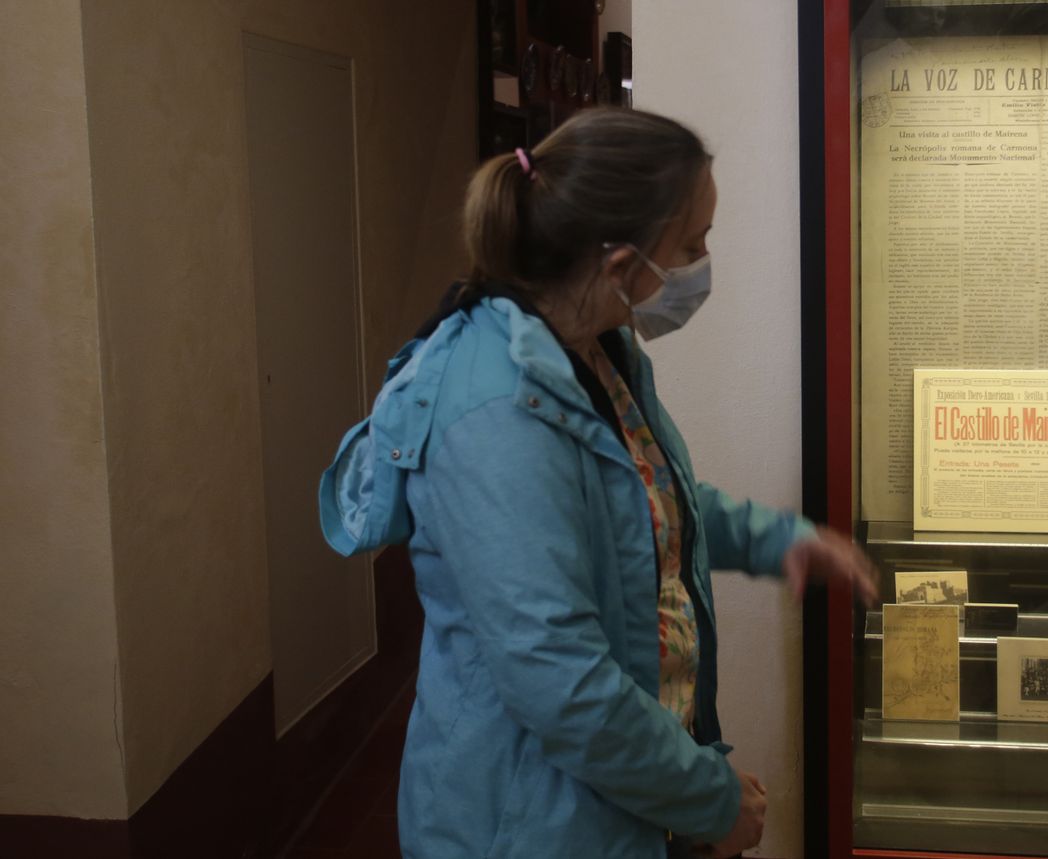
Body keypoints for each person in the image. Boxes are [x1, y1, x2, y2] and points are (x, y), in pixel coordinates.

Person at [318, 108, 877, 859]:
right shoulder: (496, 412)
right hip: (526, 827)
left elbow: (646, 501)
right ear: (620, 264)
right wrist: (710, 801)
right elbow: (563, 684)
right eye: (691, 244)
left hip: (608, 807)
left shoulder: (593, 350)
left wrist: (780, 540)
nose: (702, 263)